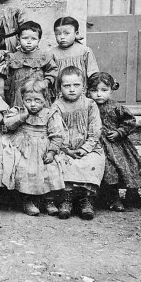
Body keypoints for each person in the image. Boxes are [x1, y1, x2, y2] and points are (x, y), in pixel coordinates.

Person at [1, 79, 65, 216]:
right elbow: (8, 124)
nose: (33, 104)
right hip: (24, 145)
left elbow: (57, 134)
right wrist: (22, 117)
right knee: (25, 170)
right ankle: (27, 200)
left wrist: (52, 151)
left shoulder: (50, 113)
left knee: (49, 171)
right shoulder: (17, 111)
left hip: (44, 146)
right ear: (22, 99)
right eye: (28, 100)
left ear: (45, 99)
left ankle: (48, 200)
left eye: (37, 100)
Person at [87, 72, 141, 211]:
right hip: (97, 143)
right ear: (88, 91)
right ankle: (112, 198)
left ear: (112, 90)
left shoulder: (116, 107)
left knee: (127, 166)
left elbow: (130, 122)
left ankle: (133, 195)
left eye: (104, 90)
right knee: (108, 169)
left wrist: (119, 132)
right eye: (94, 90)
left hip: (117, 144)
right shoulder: (88, 106)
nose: (99, 94)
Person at [54, 66, 105, 220]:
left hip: (89, 147)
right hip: (65, 149)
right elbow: (56, 130)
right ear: (59, 87)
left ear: (84, 87)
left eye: (76, 85)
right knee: (62, 162)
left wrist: (85, 148)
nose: (71, 89)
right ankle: (66, 199)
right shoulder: (57, 106)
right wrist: (66, 149)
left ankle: (86, 200)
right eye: (66, 86)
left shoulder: (90, 104)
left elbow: (95, 128)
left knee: (93, 161)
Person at [0, 21, 58, 107]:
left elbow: (53, 70)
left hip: (38, 92)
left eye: (33, 39)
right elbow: (7, 77)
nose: (29, 42)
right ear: (18, 38)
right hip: (18, 95)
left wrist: (46, 82)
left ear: (39, 40)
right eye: (25, 38)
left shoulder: (43, 56)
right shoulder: (13, 57)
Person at [52, 17, 99, 85]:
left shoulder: (84, 51)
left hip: (82, 93)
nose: (62, 37)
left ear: (76, 33)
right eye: (58, 34)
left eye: (66, 33)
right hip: (59, 93)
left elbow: (93, 75)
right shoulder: (52, 53)